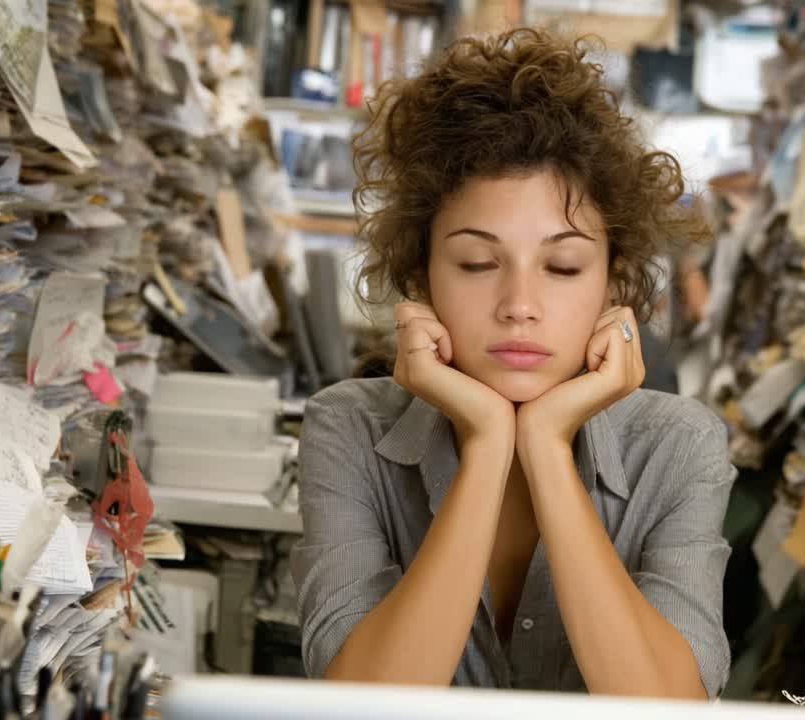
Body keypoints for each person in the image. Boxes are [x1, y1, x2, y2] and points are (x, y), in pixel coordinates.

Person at [290, 28, 736, 699]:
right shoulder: (345, 430)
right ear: (421, 279)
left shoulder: (678, 446)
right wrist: (489, 444)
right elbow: (360, 706)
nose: (519, 305)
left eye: (561, 267)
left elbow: (669, 707)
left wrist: (548, 447)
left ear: (613, 287)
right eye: (476, 263)